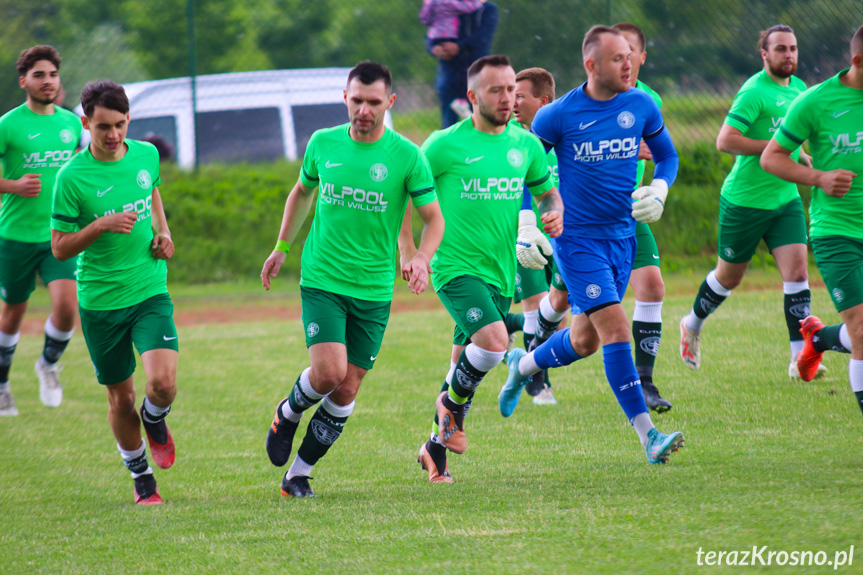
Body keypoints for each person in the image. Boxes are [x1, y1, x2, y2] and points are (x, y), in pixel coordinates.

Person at [261, 61, 444, 498]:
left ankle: (298, 474)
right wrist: (282, 247)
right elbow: (302, 192)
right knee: (328, 373)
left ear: (390, 103)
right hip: (323, 279)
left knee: (348, 387)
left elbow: (433, 219)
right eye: (356, 100)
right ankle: (287, 412)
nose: (363, 110)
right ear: (345, 98)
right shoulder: (323, 143)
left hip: (375, 289)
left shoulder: (407, 156)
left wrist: (420, 256)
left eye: (373, 102)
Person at [502, 26, 684, 464]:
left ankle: (523, 366)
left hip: (623, 236)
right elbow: (528, 167)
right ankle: (649, 437)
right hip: (577, 240)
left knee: (584, 341)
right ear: (592, 65)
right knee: (617, 329)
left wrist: (659, 189)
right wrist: (528, 221)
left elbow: (668, 156)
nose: (628, 64)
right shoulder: (556, 115)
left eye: (631, 56)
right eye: (618, 58)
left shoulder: (641, 104)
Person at [412, 54, 562, 483]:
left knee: (465, 363)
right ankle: (450, 410)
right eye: (496, 90)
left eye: (511, 89)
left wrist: (553, 216)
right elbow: (411, 192)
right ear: (472, 96)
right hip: (454, 267)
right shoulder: (443, 144)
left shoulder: (525, 145)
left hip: (499, 272)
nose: (507, 98)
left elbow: (548, 195)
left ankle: (433, 451)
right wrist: (413, 253)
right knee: (495, 344)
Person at [51, 80, 178, 505]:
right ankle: (142, 478)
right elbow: (60, 246)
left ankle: (155, 418)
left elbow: (152, 193)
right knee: (121, 398)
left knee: (162, 384)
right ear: (85, 122)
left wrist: (163, 232)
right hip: (101, 302)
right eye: (103, 126)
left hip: (148, 289)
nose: (113, 135)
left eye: (121, 125)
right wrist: (99, 225)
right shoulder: (71, 178)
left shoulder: (146, 154)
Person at [679, 26, 815, 379]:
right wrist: (776, 148)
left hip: (785, 200)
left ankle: (800, 358)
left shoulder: (800, 90)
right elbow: (725, 141)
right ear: (764, 55)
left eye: (793, 49)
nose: (789, 55)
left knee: (798, 273)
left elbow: (794, 140)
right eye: (781, 49)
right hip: (745, 202)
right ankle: (691, 323)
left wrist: (804, 158)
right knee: (728, 278)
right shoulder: (754, 91)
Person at [761, 24, 863, 411]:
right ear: (856, 61)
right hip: (838, 232)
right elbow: (772, 157)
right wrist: (819, 177)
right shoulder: (815, 101)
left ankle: (819, 340)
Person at [0, 45, 81, 416]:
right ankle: (2, 385)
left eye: (52, 74)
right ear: (24, 81)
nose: (47, 81)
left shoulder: (71, 124)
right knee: (11, 316)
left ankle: (48, 364)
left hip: (58, 238)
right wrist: (13, 185)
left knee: (67, 308)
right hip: (15, 236)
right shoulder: (8, 125)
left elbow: (84, 171)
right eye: (39, 75)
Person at [507, 66, 560, 406]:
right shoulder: (508, 136)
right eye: (510, 94)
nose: (512, 101)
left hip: (559, 235)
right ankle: (537, 384)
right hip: (520, 236)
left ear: (543, 101)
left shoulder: (563, 133)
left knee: (557, 313)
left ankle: (506, 326)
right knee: (534, 307)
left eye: (520, 96)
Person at [429, 2, 498, 128]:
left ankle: (479, 144)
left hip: (476, 70)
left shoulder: (487, 9)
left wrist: (460, 46)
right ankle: (448, 145)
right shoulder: (448, 6)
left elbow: (483, 37)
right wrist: (434, 48)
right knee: (448, 119)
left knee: (479, 115)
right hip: (450, 71)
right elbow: (434, 32)